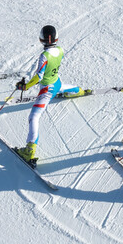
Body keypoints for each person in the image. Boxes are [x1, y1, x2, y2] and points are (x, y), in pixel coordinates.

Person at [14, 25, 81, 166]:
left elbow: (39, 77)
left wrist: (25, 86)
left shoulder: (44, 56)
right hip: (56, 83)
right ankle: (78, 91)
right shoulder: (60, 50)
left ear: (41, 39)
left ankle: (30, 149)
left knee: (34, 117)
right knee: (63, 87)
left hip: (47, 90)